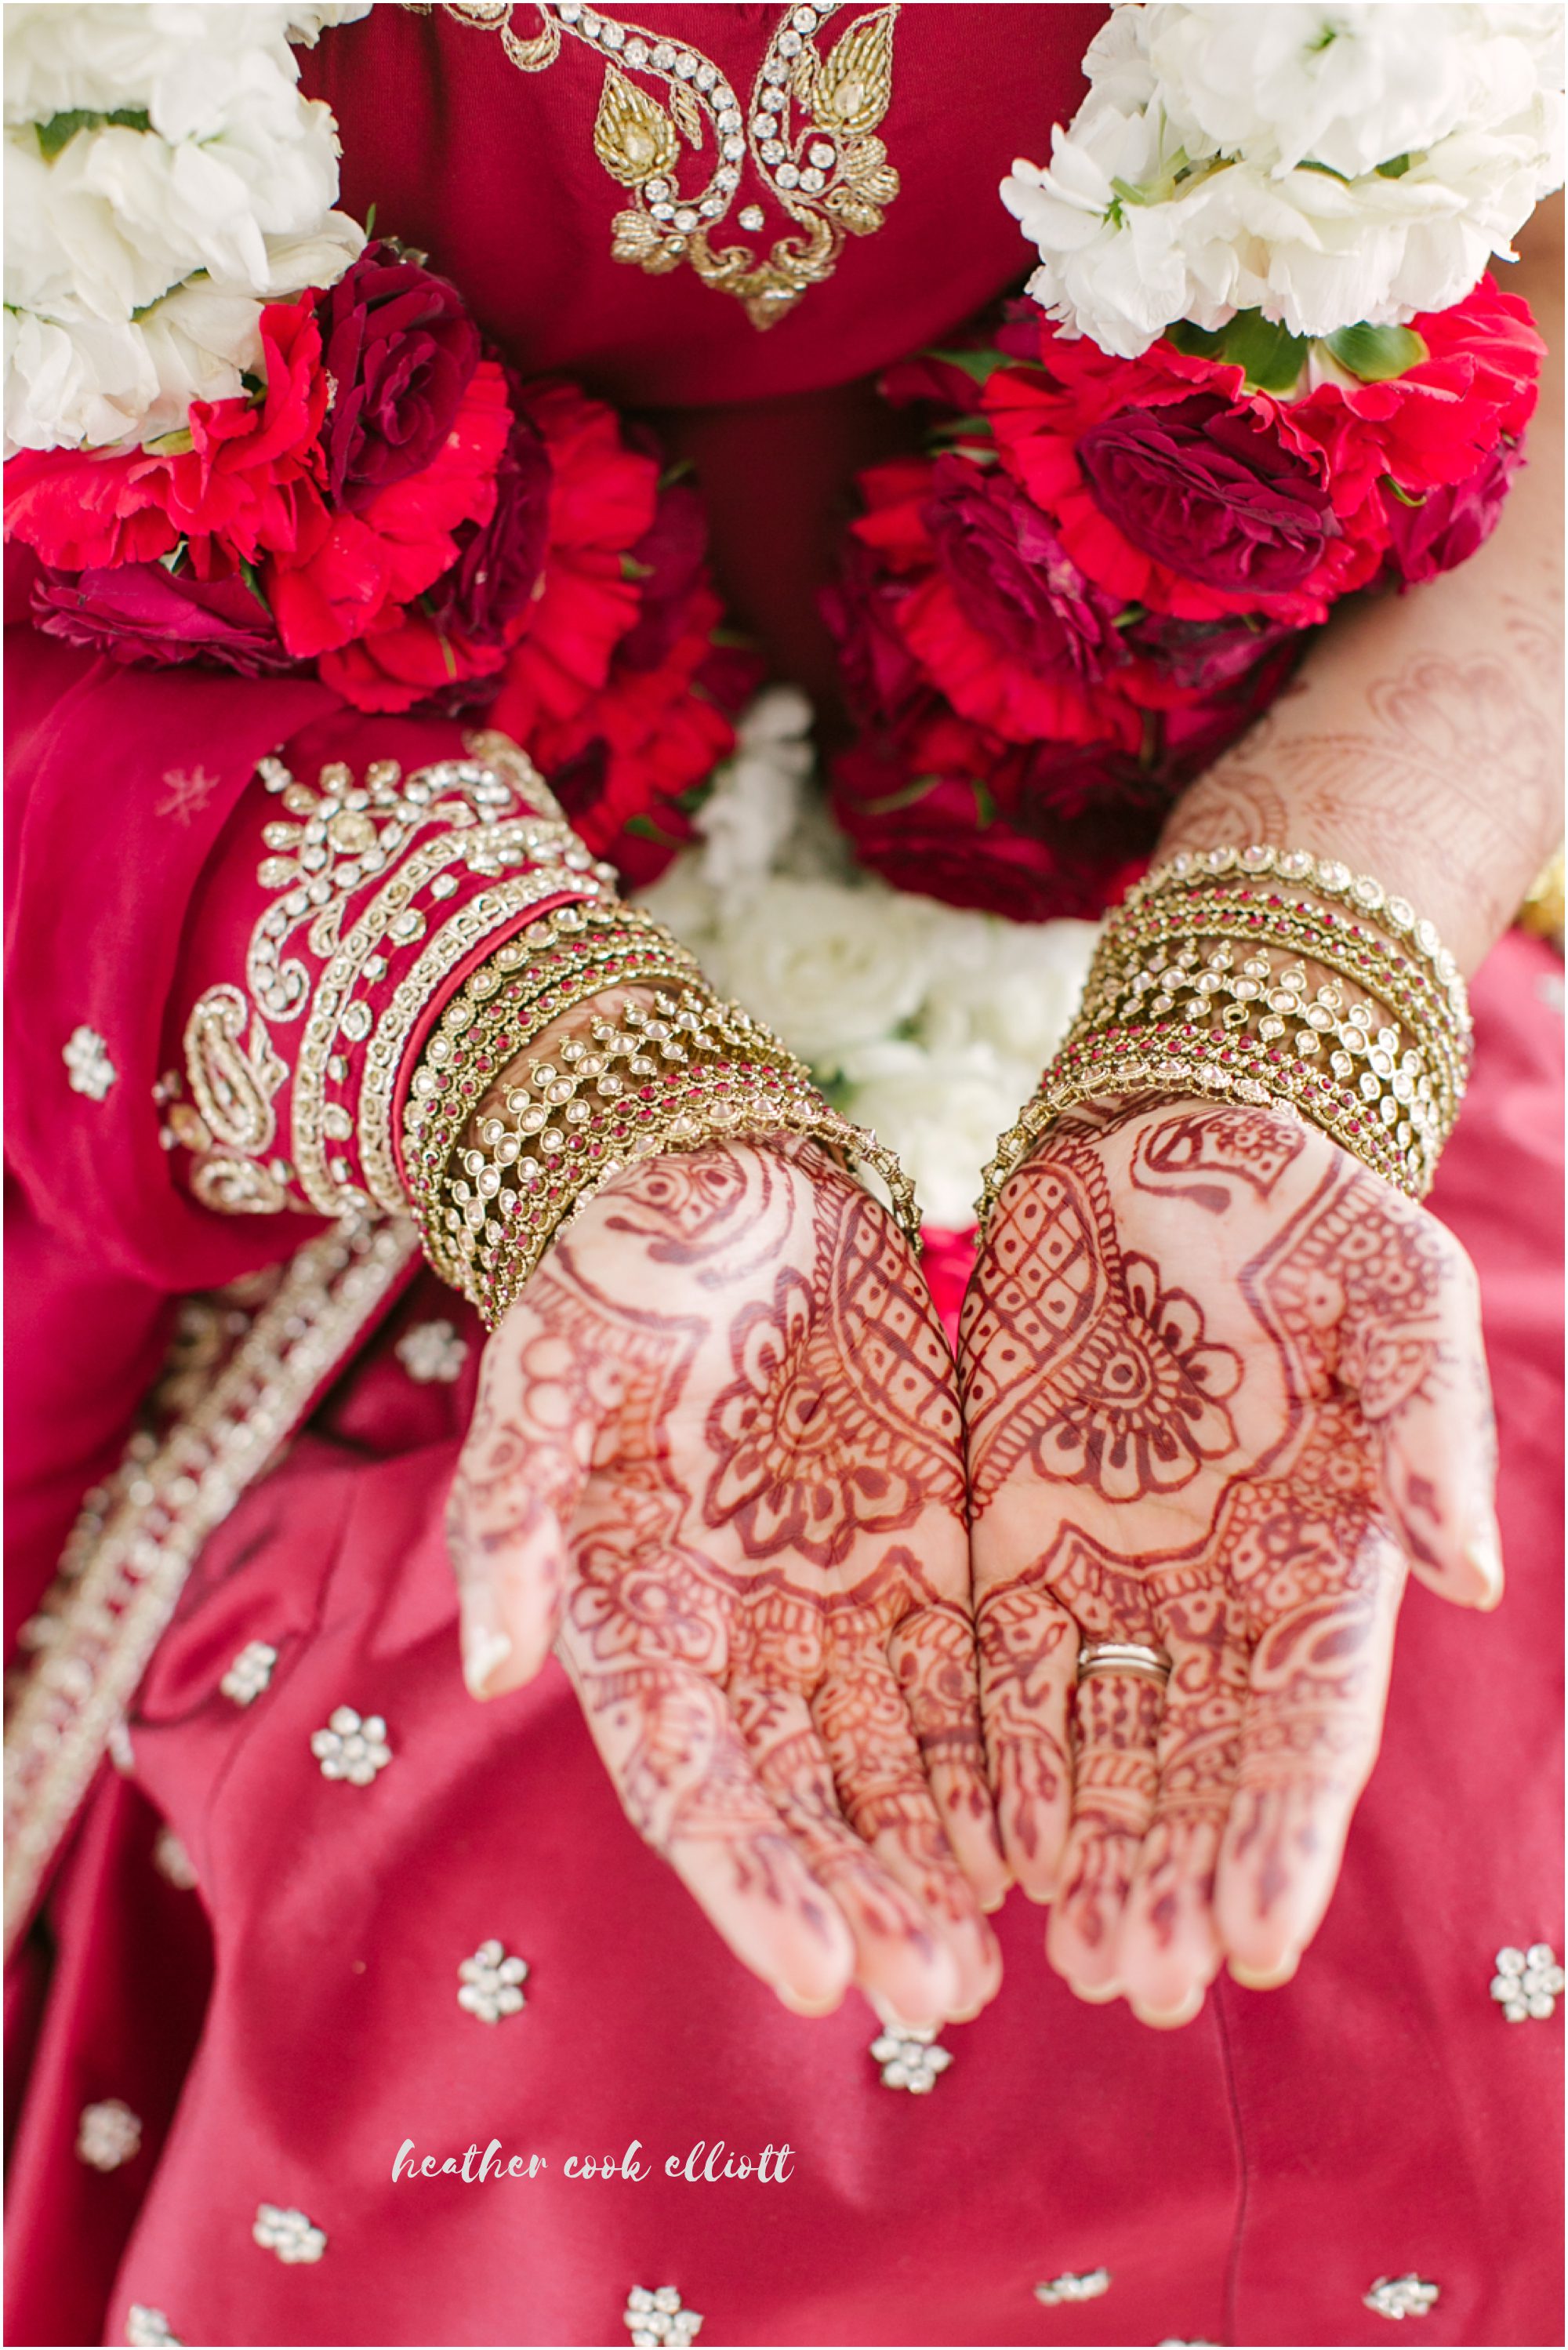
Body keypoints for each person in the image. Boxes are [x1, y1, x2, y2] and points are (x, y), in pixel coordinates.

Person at [5, 8, 1562, 2345]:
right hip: (280, 1038)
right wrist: (552, 1073)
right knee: (509, 1985)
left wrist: (1285, 992)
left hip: (1205, 944)